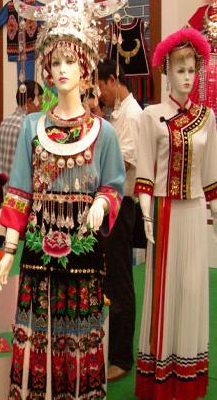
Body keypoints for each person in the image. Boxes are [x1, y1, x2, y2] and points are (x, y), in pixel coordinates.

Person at [0, 0, 132, 399]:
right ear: (47, 70)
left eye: (71, 60)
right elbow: (20, 190)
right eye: (56, 61)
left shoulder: (103, 133)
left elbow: (114, 185)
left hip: (84, 255)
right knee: (39, 336)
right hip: (37, 255)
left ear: (86, 66)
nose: (63, 68)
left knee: (80, 336)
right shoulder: (32, 127)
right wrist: (9, 249)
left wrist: (102, 204)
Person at [134, 28, 217, 400]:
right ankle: (160, 373)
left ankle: (187, 372)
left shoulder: (207, 117)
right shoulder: (152, 115)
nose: (187, 77)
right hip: (164, 212)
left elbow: (211, 172)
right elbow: (145, 171)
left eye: (191, 70)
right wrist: (147, 214)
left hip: (194, 211)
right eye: (180, 69)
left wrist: (215, 210)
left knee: (192, 287)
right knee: (164, 290)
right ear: (166, 71)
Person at [97, 58, 142, 381]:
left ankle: (122, 358)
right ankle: (111, 349)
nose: (100, 93)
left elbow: (123, 162)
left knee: (120, 280)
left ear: (113, 80)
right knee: (110, 279)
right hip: (111, 204)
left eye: (101, 86)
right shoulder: (117, 114)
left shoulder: (133, 115)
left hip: (122, 205)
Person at [0, 80, 43, 177]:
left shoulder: (3, 123)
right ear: (30, 102)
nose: (41, 108)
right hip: (19, 185)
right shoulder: (28, 127)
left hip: (2, 185)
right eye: (40, 103)